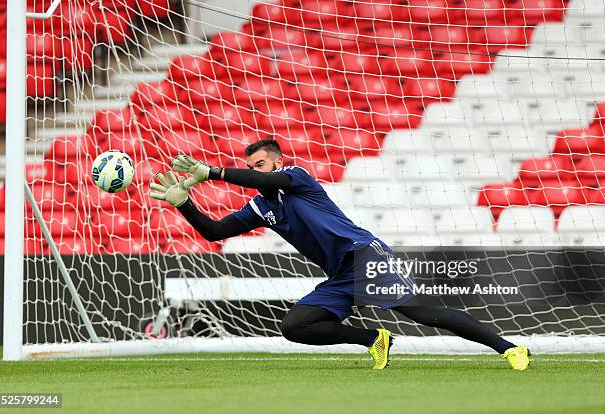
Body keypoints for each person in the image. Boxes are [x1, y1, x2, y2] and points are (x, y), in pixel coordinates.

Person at [148, 139, 530, 370]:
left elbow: (269, 181)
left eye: (260, 164)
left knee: (423, 313)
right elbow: (215, 231)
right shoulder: (260, 207)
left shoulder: (296, 177)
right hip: (339, 275)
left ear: (278, 161)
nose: (256, 171)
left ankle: (510, 348)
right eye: (250, 166)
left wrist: (213, 172)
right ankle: (373, 339)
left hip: (364, 255)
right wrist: (184, 204)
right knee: (295, 326)